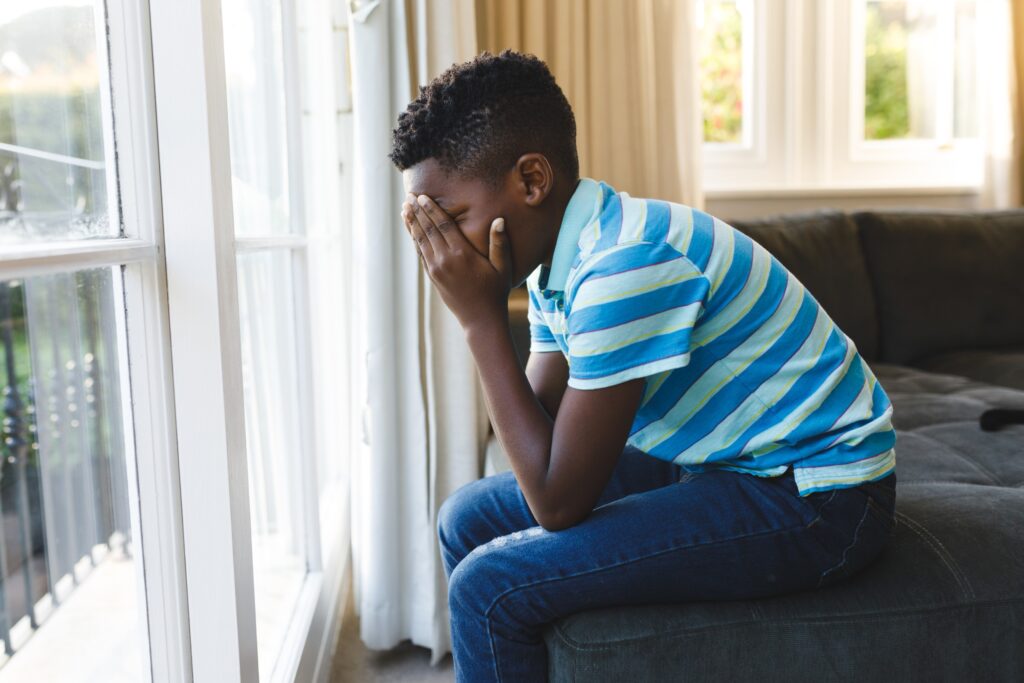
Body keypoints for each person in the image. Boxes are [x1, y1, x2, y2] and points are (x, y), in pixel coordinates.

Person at [388, 49, 897, 683]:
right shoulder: (561, 258)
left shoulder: (625, 264)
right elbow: (541, 429)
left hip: (817, 497)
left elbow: (556, 501)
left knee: (486, 588)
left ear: (531, 180)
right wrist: (490, 308)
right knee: (466, 517)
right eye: (427, 225)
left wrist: (481, 321)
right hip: (721, 463)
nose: (441, 251)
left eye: (451, 218)